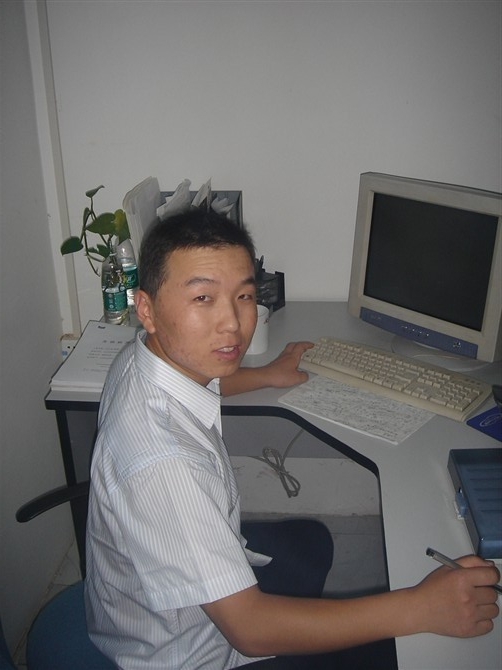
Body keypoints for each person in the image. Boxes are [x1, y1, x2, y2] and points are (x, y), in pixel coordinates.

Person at [85, 209, 500, 670]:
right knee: (401, 654)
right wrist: (420, 608)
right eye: (203, 297)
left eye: (244, 295)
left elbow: (200, 378)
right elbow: (250, 631)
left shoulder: (141, 357)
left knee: (310, 542)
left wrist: (265, 375)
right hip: (193, 652)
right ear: (147, 309)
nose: (232, 323)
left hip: (154, 609)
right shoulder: (163, 465)